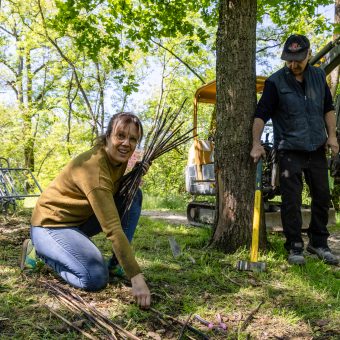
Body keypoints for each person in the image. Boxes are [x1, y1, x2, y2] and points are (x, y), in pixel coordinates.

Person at [20, 112, 151, 308]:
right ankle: (37, 252)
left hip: (78, 222)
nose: (126, 143)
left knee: (134, 195)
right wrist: (136, 277)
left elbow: (114, 188)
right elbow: (113, 229)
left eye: (133, 139)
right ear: (108, 136)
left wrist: (136, 173)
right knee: (94, 278)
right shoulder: (94, 168)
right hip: (50, 225)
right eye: (121, 136)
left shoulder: (117, 160)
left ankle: (116, 265)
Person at [250, 34, 339, 266]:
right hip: (289, 149)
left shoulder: (319, 76)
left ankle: (318, 243)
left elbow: (328, 108)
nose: (293, 64)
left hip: (317, 147)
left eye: (298, 59)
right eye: (289, 59)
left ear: (308, 54)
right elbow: (260, 115)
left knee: (322, 196)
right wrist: (256, 144)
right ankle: (295, 246)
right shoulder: (275, 82)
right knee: (292, 200)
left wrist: (332, 136)